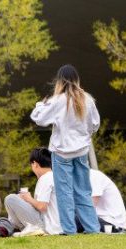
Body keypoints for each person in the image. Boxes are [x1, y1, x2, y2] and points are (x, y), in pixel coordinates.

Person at [30, 64, 101, 234]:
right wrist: (84, 137)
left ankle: (69, 230)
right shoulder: (88, 99)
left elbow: (38, 118)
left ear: (59, 81)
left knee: (65, 193)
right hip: (81, 152)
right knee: (83, 191)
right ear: (77, 79)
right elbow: (95, 124)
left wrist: (41, 103)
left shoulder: (57, 101)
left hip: (61, 153)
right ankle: (93, 229)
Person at [4, 147, 62, 235]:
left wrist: (29, 199)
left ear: (35, 163)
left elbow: (42, 206)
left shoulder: (45, 178)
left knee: (10, 198)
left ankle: (16, 229)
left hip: (47, 226)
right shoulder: (54, 176)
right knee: (17, 198)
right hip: (56, 225)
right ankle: (18, 228)